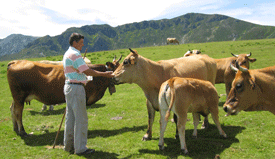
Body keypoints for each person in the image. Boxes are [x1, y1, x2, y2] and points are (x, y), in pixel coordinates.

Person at [62, 33, 114, 155]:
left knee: (70, 118)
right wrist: (104, 74)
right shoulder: (75, 54)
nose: (82, 45)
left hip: (69, 86)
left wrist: (88, 76)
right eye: (80, 43)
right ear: (74, 43)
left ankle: (68, 145)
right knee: (81, 119)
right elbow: (86, 70)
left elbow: (81, 72)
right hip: (76, 89)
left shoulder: (67, 53)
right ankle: (80, 148)